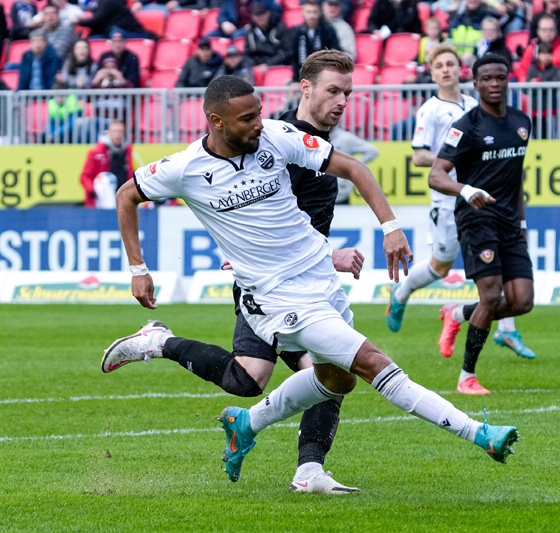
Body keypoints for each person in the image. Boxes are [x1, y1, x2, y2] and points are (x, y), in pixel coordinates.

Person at [102, 74, 521, 488]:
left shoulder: (277, 136)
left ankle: (248, 424)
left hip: (320, 280)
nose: (259, 124)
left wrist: (390, 227)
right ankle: (479, 433)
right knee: (373, 363)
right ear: (216, 122)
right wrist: (138, 269)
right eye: (247, 119)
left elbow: (353, 167)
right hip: (275, 295)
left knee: (337, 380)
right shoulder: (184, 168)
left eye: (259, 113)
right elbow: (126, 196)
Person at [102, 51, 367, 494]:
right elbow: (258, 218)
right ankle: (161, 344)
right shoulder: (271, 140)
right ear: (306, 89)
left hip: (305, 282)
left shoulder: (311, 146)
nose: (341, 102)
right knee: (313, 373)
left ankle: (305, 470)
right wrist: (328, 254)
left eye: (347, 93)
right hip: (268, 286)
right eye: (332, 91)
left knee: (269, 377)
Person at [387, 44, 536, 369]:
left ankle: (506, 329)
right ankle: (401, 294)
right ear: (432, 73)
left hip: (490, 206)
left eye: (451, 64)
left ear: (461, 71)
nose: (446, 70)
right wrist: (456, 157)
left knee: (500, 280)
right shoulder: (431, 110)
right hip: (450, 199)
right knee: (441, 266)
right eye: (439, 65)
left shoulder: (477, 103)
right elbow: (419, 156)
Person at [427, 54, 536, 395]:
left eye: (499, 77)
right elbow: (436, 175)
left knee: (522, 301)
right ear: (475, 84)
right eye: (486, 79)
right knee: (491, 295)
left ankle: (457, 313)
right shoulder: (466, 126)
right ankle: (466, 378)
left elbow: (516, 178)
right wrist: (466, 190)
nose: (494, 84)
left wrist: (521, 224)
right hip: (476, 218)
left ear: (508, 80)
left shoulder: (521, 122)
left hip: (509, 222)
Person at [80, 119, 135, 207]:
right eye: (115, 131)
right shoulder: (96, 151)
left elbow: (129, 174)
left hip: (122, 194)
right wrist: (94, 191)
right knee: (105, 179)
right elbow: (85, 176)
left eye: (120, 131)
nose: (118, 135)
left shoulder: (127, 150)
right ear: (108, 132)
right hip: (101, 198)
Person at [515, 14, 560, 82]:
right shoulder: (531, 49)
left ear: (556, 31)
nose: (548, 32)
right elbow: (522, 72)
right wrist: (528, 83)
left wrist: (548, 83)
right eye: (544, 30)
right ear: (538, 31)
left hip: (557, 88)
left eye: (551, 29)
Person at [289, 0, 340, 83]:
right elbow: (293, 56)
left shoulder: (328, 30)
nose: (311, 15)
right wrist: (295, 80)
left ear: (319, 13)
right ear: (303, 13)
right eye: (308, 12)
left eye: (314, 12)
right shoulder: (296, 31)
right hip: (302, 74)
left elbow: (334, 53)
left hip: (324, 75)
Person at [329, 126, 379, 204]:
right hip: (317, 194)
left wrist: (353, 166)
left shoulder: (346, 138)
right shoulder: (314, 138)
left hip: (340, 195)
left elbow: (372, 151)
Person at [450, 0, 500, 66]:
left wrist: (473, 55)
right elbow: (449, 39)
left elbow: (493, 43)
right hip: (456, 61)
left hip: (478, 62)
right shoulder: (457, 17)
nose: (472, 0)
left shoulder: (488, 16)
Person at [244, 2, 290, 71]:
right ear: (252, 17)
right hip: (258, 66)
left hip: (279, 65)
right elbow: (247, 54)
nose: (260, 17)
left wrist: (269, 64)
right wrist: (256, 66)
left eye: (262, 14)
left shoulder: (280, 27)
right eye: (257, 15)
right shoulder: (250, 33)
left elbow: (287, 52)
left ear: (268, 14)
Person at [77, 0, 151, 39]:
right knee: (93, 38)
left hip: (130, 31)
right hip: (111, 32)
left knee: (116, 34)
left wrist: (79, 21)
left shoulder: (108, 1)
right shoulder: (99, 3)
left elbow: (97, 20)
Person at [210, 0, 280, 39]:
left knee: (237, 35)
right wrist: (224, 22)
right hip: (232, 28)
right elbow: (222, 15)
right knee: (210, 36)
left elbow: (276, 12)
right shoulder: (228, 1)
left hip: (253, 29)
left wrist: (254, 24)